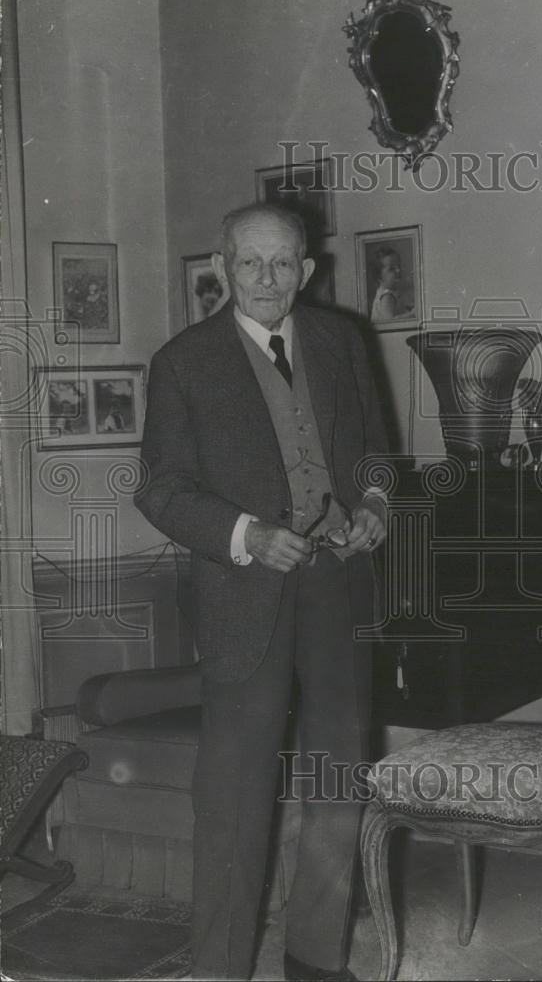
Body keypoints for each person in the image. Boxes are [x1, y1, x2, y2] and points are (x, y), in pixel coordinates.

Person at [135, 203, 388, 982]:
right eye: (251, 263)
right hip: (244, 600)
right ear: (222, 269)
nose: (268, 278)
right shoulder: (183, 362)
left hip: (337, 588)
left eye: (284, 264)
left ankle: (317, 959)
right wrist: (247, 534)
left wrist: (375, 507)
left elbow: (377, 455)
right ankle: (219, 969)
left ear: (307, 271)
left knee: (339, 779)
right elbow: (162, 491)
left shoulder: (343, 341)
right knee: (235, 799)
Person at [370, 246, 413, 321]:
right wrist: (412, 314)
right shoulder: (387, 296)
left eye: (399, 266)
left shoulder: (386, 292)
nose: (398, 270)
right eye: (392, 269)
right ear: (379, 277)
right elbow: (391, 323)